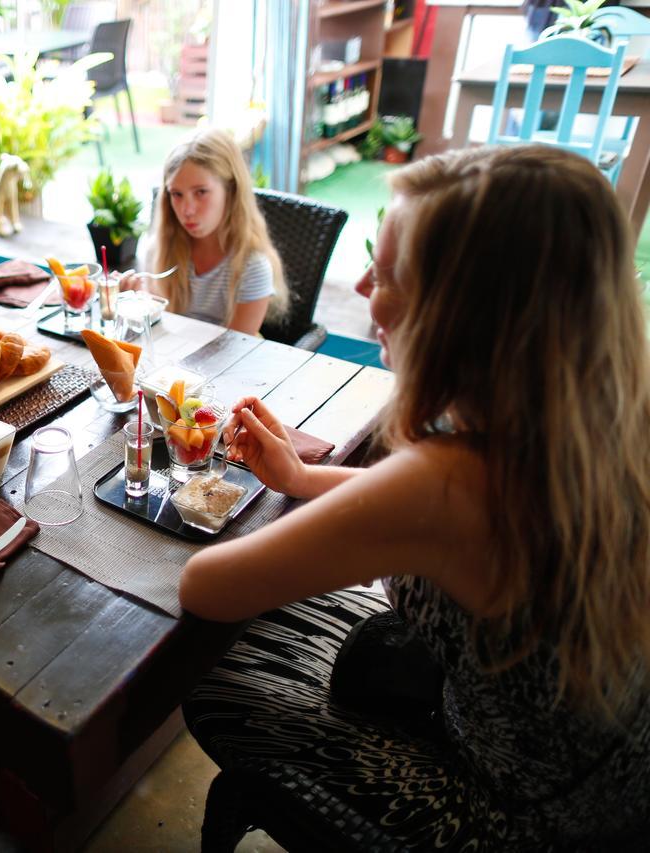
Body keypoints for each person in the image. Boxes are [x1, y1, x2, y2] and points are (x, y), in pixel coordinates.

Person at [179, 144, 650, 848]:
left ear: (468, 312)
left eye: (392, 271)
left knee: (209, 676)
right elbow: (428, 518)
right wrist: (306, 480)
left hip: (511, 821)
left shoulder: (449, 480)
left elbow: (206, 587)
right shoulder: (593, 422)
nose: (364, 286)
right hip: (605, 786)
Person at [122, 126, 287, 336]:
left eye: (201, 192)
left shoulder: (252, 266)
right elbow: (157, 331)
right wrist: (139, 304)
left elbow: (236, 353)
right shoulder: (159, 251)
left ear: (231, 190)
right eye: (177, 194)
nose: (187, 210)